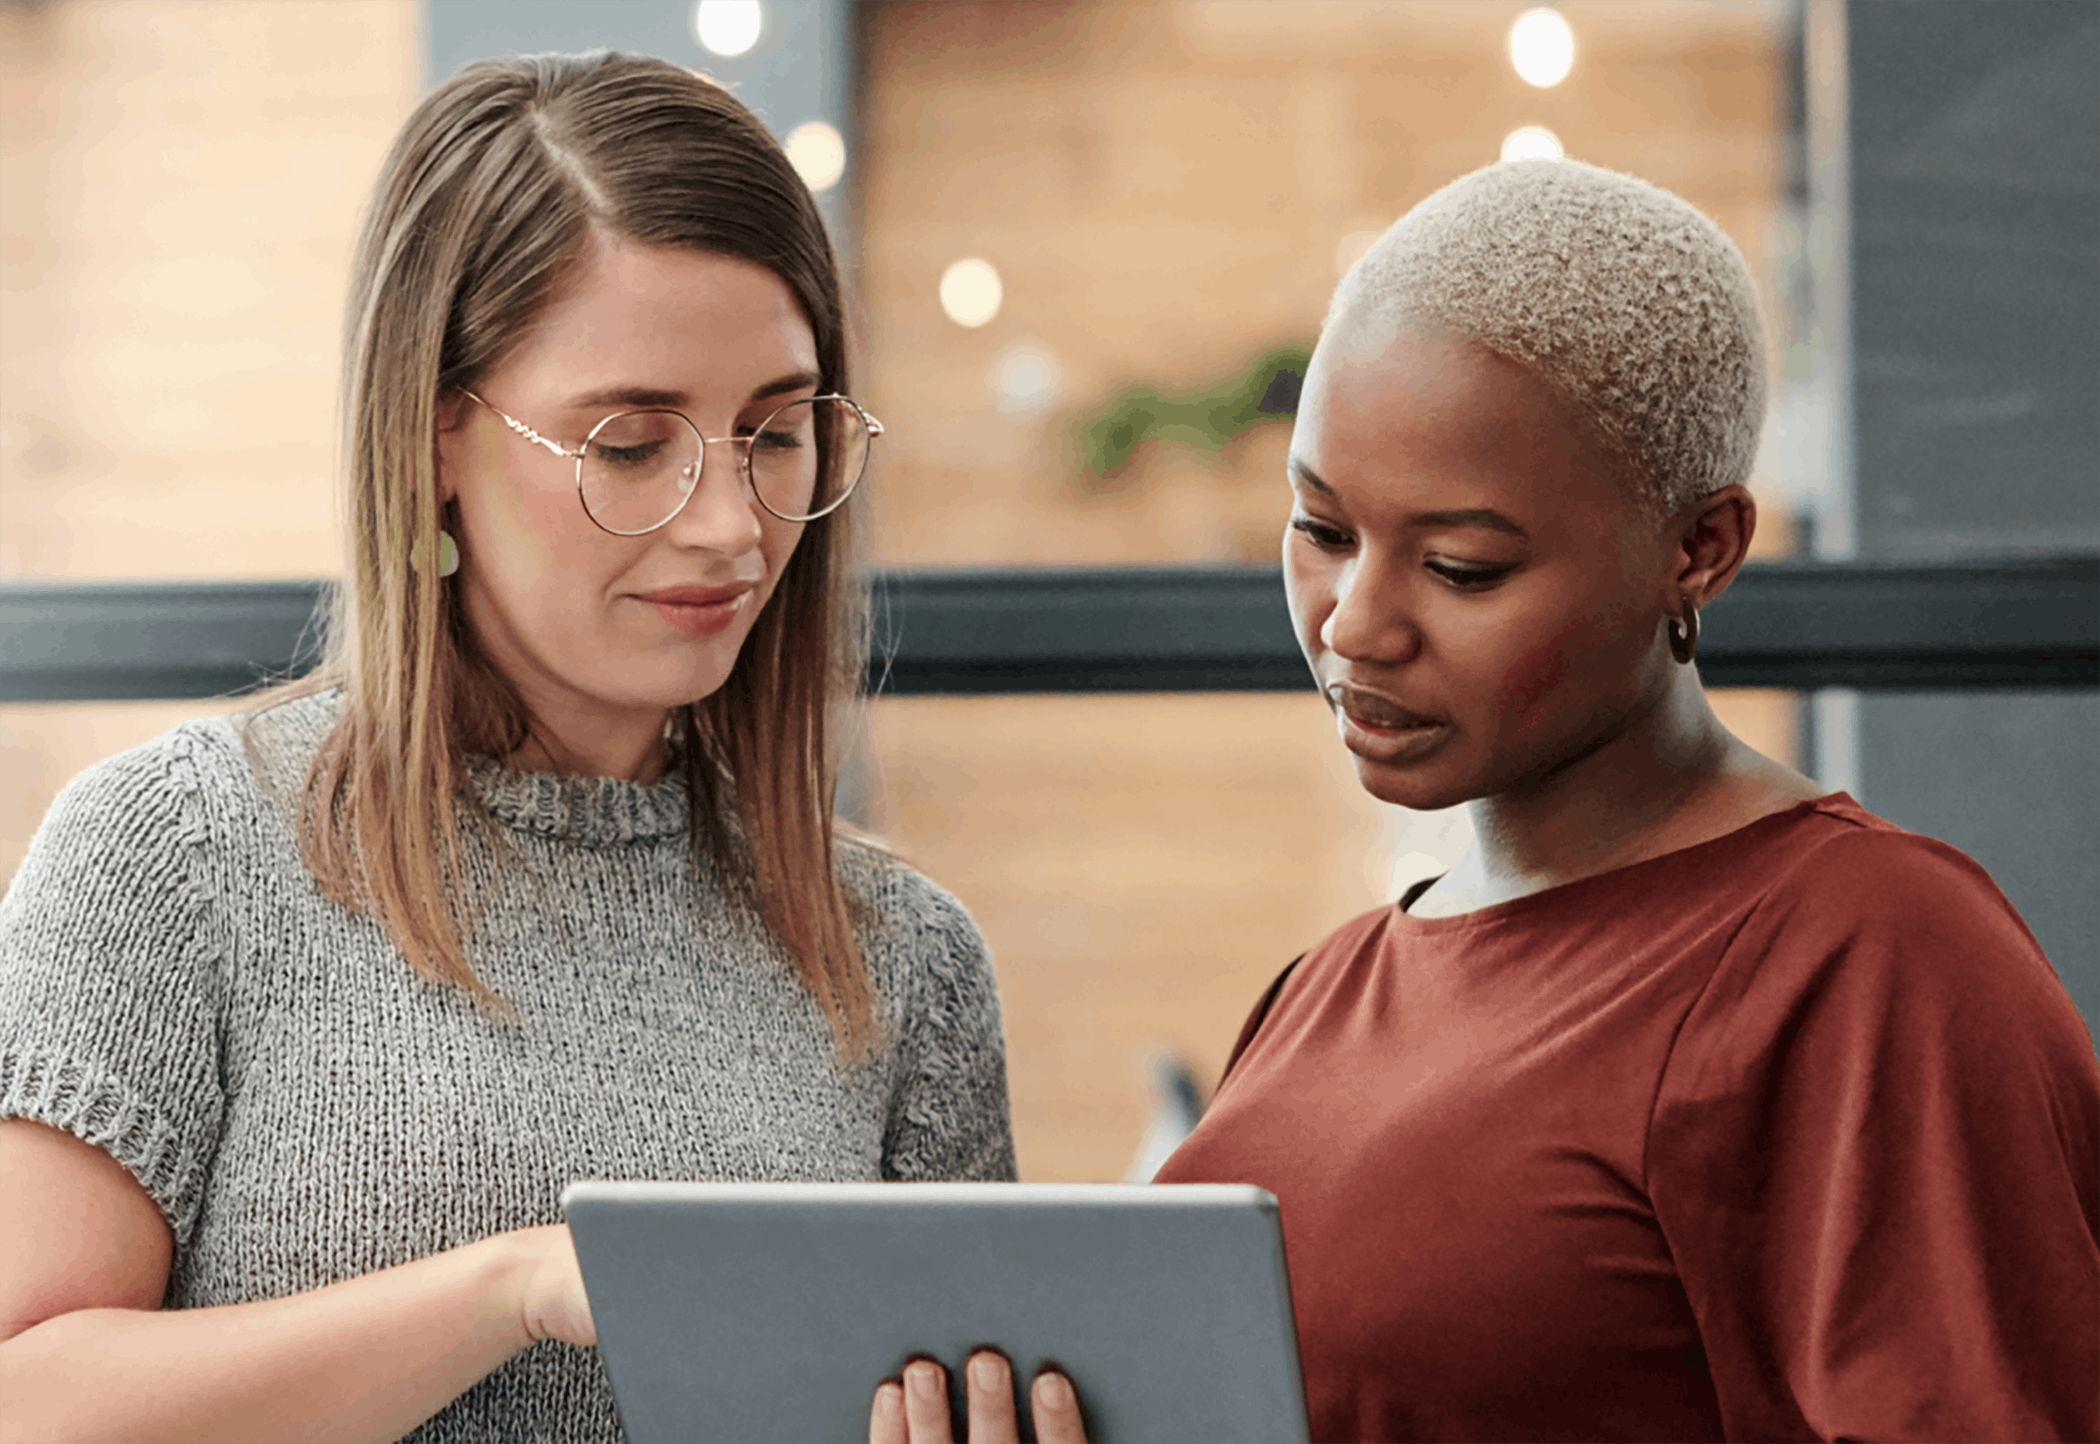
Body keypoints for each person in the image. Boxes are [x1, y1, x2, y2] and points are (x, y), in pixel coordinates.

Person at [872, 159, 2098, 1444]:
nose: (1355, 622)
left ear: (1701, 548)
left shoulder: (1865, 962)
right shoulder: (1322, 993)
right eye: (1322, 528)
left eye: (1461, 567)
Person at [0, 51, 1014, 1444]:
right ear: (435, 441)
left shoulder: (904, 955)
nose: (730, 524)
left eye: (774, 432)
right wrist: (515, 1288)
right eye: (634, 442)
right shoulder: (175, 853)